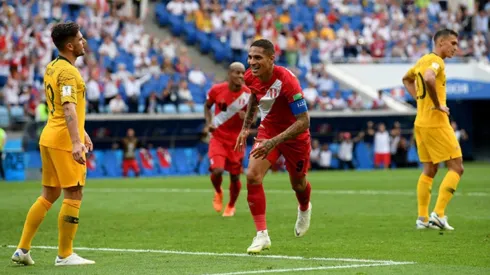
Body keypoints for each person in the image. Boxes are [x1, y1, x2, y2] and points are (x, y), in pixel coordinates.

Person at [12, 22, 95, 266]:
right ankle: (65, 255)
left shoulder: (53, 66)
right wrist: (76, 141)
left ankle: (22, 249)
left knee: (49, 194)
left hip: (49, 136)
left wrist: (82, 131)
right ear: (69, 45)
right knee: (74, 192)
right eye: (80, 39)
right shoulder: (69, 72)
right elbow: (68, 106)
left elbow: (61, 107)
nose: (84, 42)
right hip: (62, 141)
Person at [235, 39, 312, 254]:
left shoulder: (287, 81)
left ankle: (304, 208)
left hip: (295, 136)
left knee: (298, 184)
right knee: (252, 175)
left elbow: (304, 122)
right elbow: (254, 96)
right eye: (250, 57)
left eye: (257, 57)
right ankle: (262, 235)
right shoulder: (251, 76)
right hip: (268, 130)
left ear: (271, 58)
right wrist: (246, 127)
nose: (252, 62)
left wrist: (274, 142)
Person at [402, 29, 463, 231]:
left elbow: (406, 79)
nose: (456, 47)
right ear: (441, 42)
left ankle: (422, 217)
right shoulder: (436, 61)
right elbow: (429, 78)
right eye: (453, 43)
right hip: (436, 122)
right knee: (457, 167)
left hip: (421, 122)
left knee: (430, 169)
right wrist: (436, 104)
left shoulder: (421, 60)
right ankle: (438, 214)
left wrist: (421, 102)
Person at [204, 62, 250, 217]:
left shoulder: (248, 94)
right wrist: (209, 122)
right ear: (229, 74)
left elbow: (255, 116)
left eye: (243, 73)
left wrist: (247, 119)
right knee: (217, 170)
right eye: (237, 73)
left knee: (235, 176)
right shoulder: (217, 90)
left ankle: (231, 205)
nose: (241, 76)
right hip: (218, 137)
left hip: (237, 141)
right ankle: (218, 191)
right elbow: (207, 106)